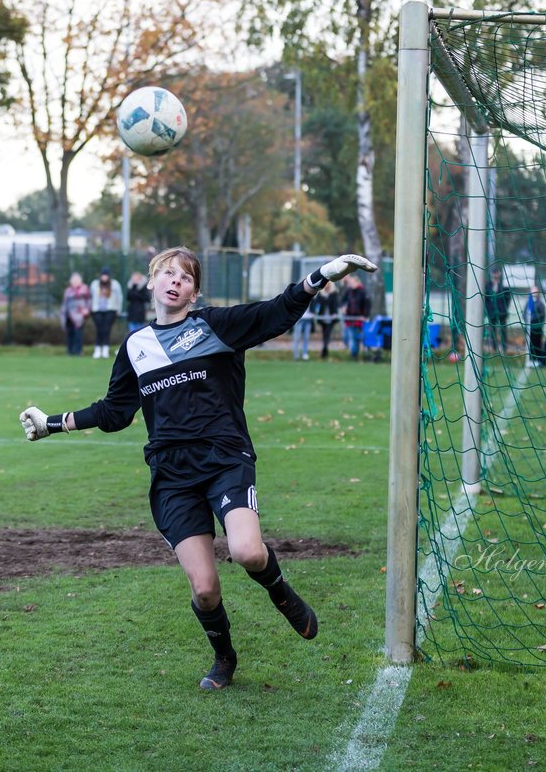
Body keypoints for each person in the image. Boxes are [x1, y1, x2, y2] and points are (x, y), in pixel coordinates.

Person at [19, 247, 377, 691]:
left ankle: (281, 592)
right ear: (151, 282)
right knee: (205, 588)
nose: (175, 282)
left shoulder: (214, 325)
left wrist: (320, 276)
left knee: (247, 551)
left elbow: (275, 313)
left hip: (224, 458)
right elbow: (114, 412)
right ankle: (224, 656)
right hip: (172, 476)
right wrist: (52, 423)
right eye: (166, 274)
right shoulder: (135, 346)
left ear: (195, 290)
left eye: (185, 277)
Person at [90, 267, 124, 359]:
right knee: (99, 329)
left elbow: (119, 297)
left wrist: (118, 309)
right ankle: (97, 350)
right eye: (103, 275)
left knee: (106, 330)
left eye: (106, 275)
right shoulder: (94, 284)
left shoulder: (115, 284)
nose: (104, 277)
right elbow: (91, 296)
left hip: (110, 310)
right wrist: (91, 308)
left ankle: (105, 350)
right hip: (97, 310)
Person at [341, 275, 371, 361]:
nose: (351, 284)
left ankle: (354, 355)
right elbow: (342, 301)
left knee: (353, 338)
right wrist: (343, 307)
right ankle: (354, 353)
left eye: (352, 282)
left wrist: (365, 316)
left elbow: (367, 305)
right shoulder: (349, 291)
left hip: (358, 320)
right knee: (346, 337)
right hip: (349, 319)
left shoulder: (363, 292)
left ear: (357, 282)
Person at [61, 272, 91, 356]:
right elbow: (64, 303)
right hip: (68, 314)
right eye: (73, 280)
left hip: (79, 314)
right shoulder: (68, 291)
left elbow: (89, 301)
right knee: (69, 333)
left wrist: (86, 310)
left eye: (76, 280)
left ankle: (78, 350)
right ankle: (70, 350)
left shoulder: (85, 289)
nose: (75, 282)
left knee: (78, 333)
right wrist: (63, 312)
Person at [484, 268, 511, 354]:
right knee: (492, 331)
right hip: (491, 312)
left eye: (496, 273)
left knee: (503, 330)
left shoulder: (504, 285)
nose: (495, 275)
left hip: (502, 312)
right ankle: (494, 348)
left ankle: (504, 348)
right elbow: (486, 298)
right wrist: (488, 309)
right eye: (493, 273)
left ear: (499, 274)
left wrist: (504, 308)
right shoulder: (488, 285)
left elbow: (508, 298)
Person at [310, 281, 339, 359]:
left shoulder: (334, 293)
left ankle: (325, 348)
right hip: (322, 317)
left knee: (327, 333)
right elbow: (317, 304)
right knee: (324, 333)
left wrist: (335, 313)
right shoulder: (321, 294)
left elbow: (336, 304)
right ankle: (325, 348)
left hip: (330, 317)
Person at [524, 284, 546, 368]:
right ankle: (530, 360)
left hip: (537, 328)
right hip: (529, 328)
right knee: (530, 345)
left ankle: (537, 360)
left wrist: (533, 319)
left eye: (535, 291)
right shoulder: (528, 302)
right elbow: (525, 313)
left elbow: (542, 315)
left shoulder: (540, 303)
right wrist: (527, 320)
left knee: (537, 344)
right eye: (533, 291)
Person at [291, 280, 313, 361]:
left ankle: (305, 354)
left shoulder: (312, 293)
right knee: (297, 337)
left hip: (308, 319)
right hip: (299, 319)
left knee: (306, 337)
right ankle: (296, 354)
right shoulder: (298, 294)